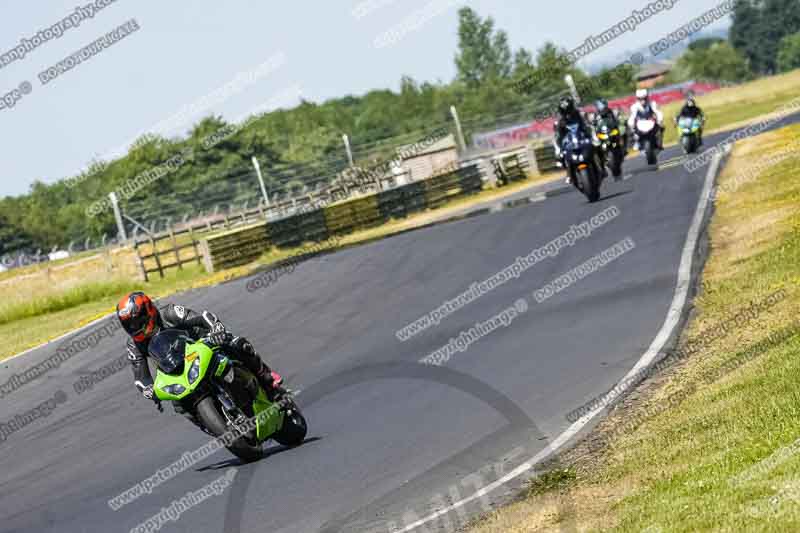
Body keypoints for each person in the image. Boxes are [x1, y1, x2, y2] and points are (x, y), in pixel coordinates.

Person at [116, 292, 284, 419]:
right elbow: (140, 376)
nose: (134, 327)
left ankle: (267, 379)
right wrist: (148, 389)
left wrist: (216, 329)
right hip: (175, 369)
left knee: (238, 344)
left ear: (148, 311)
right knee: (178, 405)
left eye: (137, 321)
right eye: (128, 325)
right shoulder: (134, 345)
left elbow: (203, 318)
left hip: (204, 345)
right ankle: (212, 426)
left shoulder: (170, 313)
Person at [553, 96, 605, 182]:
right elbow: (558, 136)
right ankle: (569, 174)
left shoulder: (580, 114)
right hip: (570, 142)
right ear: (561, 110)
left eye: (569, 109)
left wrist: (592, 132)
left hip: (583, 137)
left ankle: (602, 166)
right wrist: (559, 149)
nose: (568, 113)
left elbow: (589, 125)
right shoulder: (559, 121)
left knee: (597, 146)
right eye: (565, 110)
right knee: (562, 154)